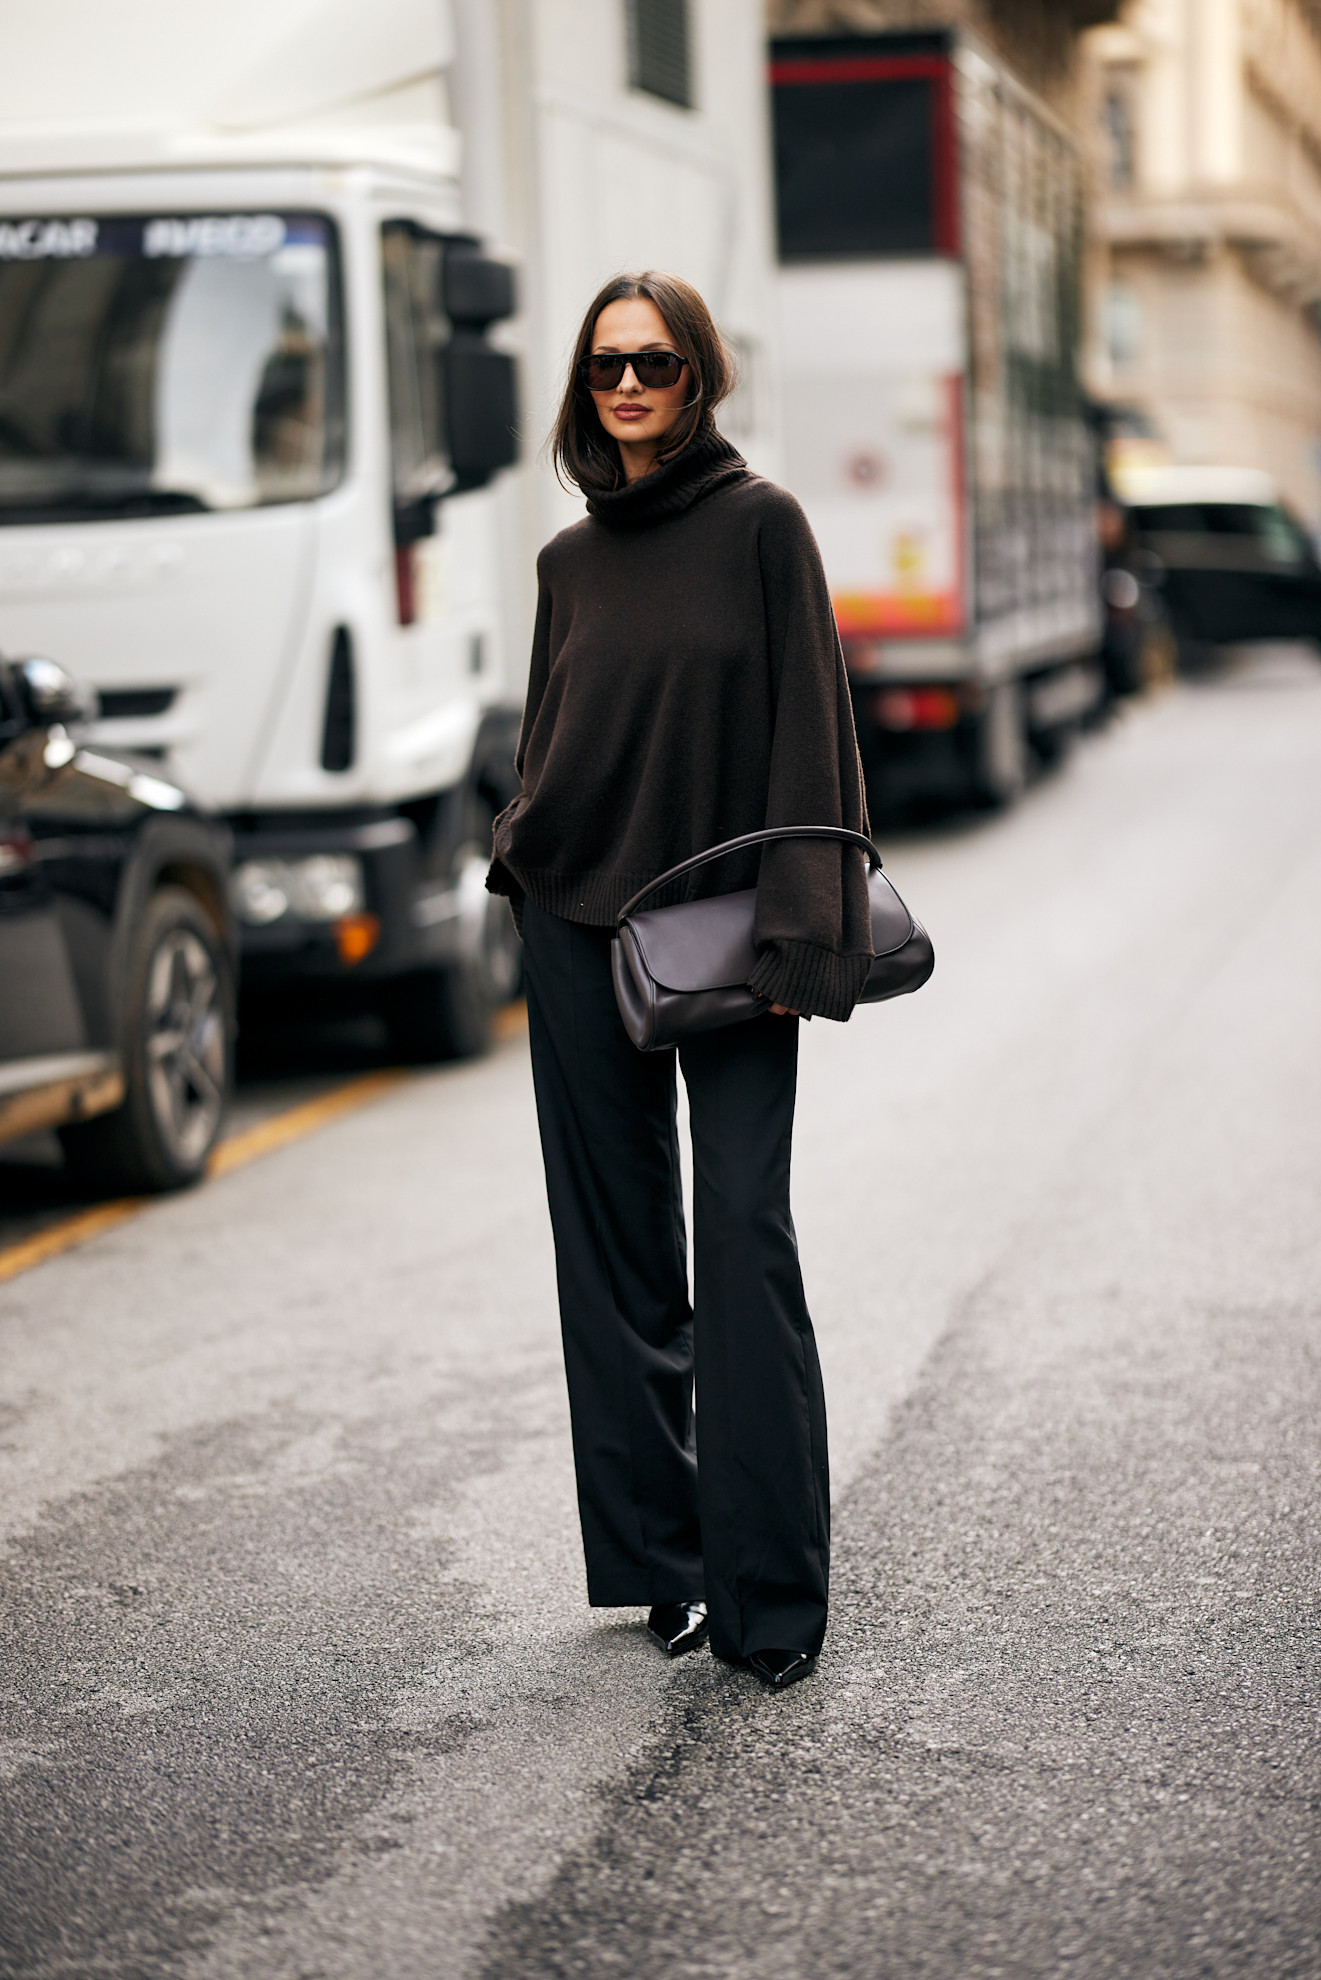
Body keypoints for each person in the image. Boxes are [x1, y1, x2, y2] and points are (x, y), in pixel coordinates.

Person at [487, 271, 873, 1690]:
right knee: (616, 1260)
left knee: (742, 1242)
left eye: (654, 363)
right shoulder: (567, 567)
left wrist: (800, 940)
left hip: (728, 944)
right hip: (575, 929)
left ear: (700, 375)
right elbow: (553, 741)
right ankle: (664, 1566)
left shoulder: (763, 526)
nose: (630, 387)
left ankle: (769, 1598)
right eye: (605, 370)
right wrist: (514, 851)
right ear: (583, 391)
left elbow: (810, 741)